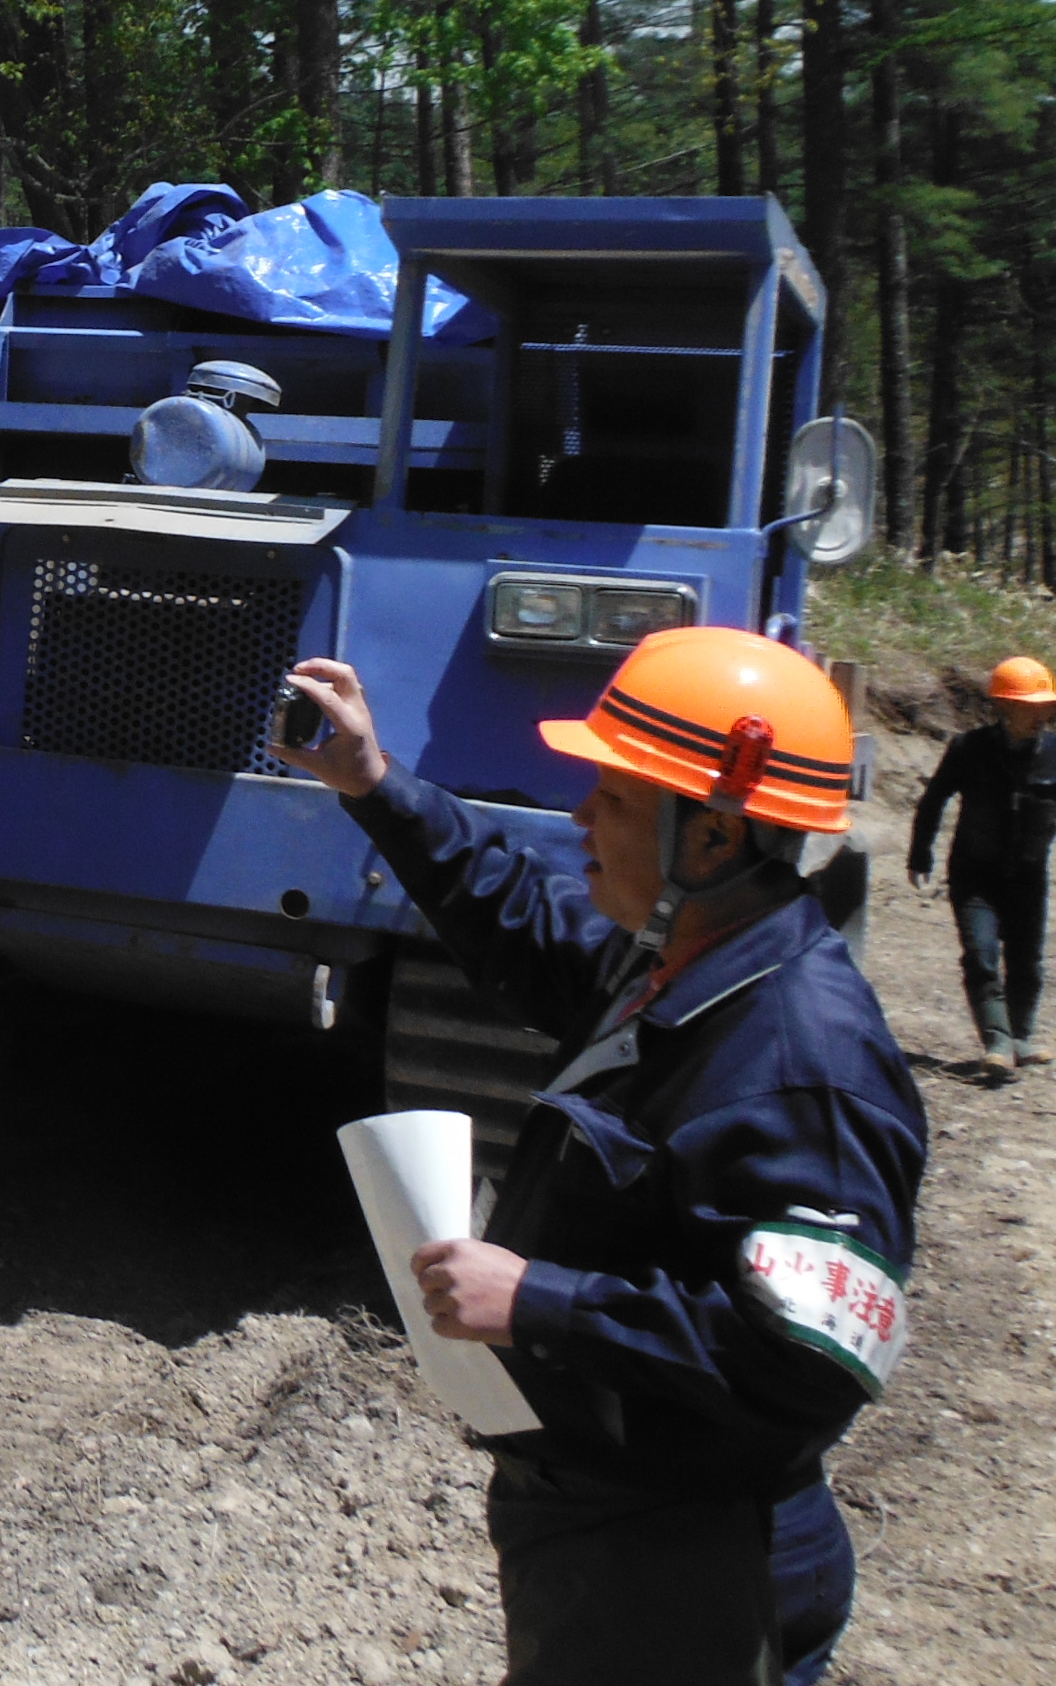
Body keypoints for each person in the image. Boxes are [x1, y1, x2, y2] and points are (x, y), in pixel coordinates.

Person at [276, 630, 925, 1686]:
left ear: (708, 837)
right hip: (613, 1534)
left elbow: (808, 1365)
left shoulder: (803, 1066)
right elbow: (525, 924)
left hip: (690, 1570)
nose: (581, 817)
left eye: (614, 800)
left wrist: (542, 1301)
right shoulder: (687, 968)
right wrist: (375, 783)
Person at [904, 653, 1056, 1081]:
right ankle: (996, 1042)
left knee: (1027, 963)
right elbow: (933, 801)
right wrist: (920, 855)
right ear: (1005, 707)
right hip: (975, 875)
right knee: (982, 955)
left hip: (1029, 876)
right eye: (1033, 706)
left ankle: (1020, 1037)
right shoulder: (968, 750)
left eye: (1047, 705)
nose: (1043, 714)